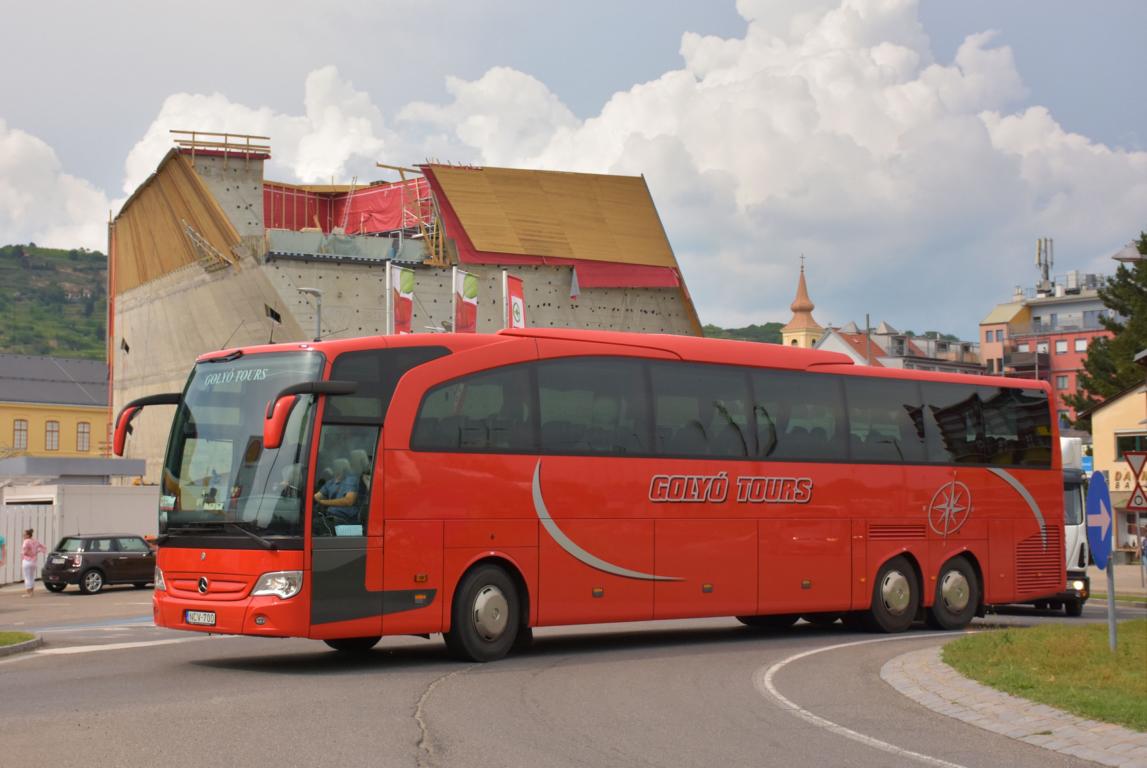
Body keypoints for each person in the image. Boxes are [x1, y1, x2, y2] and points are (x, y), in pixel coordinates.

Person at [313, 458, 359, 523]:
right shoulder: (330, 482)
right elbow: (316, 497)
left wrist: (323, 502)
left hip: (346, 519)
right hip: (330, 516)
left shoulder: (351, 480)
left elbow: (349, 501)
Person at [21, 529, 48, 597]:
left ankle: (28, 593)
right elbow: (44, 548)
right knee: (32, 577)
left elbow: (24, 551)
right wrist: (37, 551)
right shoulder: (35, 541)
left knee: (27, 577)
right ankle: (32, 592)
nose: (23, 535)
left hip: (27, 561)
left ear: (28, 535)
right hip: (34, 561)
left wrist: (24, 553)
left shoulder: (26, 541)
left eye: (24, 534)